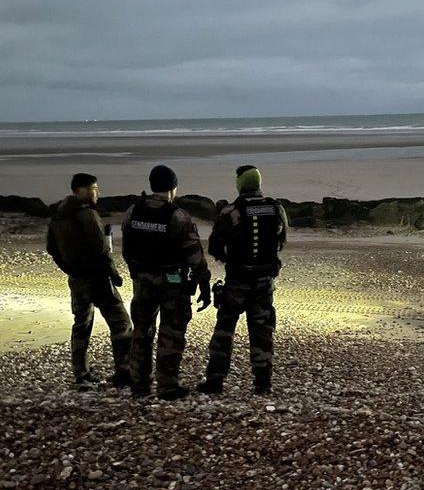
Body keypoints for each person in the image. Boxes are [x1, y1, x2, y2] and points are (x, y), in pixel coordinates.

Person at [122, 165, 211, 400]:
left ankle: (139, 384)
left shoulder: (133, 211)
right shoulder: (177, 216)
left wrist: (136, 271)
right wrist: (204, 281)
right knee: (171, 332)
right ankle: (167, 385)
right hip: (171, 280)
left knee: (141, 331)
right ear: (173, 188)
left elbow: (126, 249)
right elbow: (194, 254)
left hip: (142, 280)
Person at [197, 165, 288, 396]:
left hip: (237, 281)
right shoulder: (276, 208)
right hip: (264, 281)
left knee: (224, 330)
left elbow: (215, 246)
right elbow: (281, 240)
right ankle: (262, 384)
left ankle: (215, 380)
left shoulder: (232, 211)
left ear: (241, 183)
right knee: (262, 332)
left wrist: (230, 258)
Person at [46, 173, 133, 387]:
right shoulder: (86, 214)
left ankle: (80, 373)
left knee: (81, 324)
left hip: (76, 278)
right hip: (97, 278)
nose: (98, 192)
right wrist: (114, 274)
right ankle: (124, 370)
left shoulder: (58, 215)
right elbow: (101, 249)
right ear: (82, 190)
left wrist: (68, 268)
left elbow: (51, 248)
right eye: (95, 188)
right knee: (121, 322)